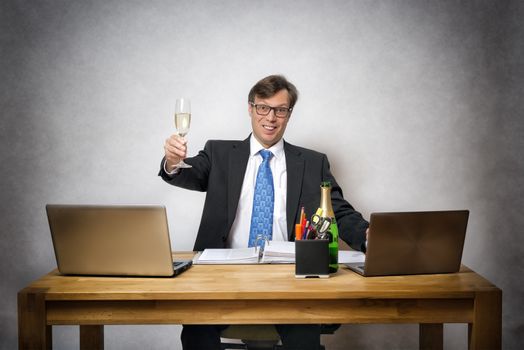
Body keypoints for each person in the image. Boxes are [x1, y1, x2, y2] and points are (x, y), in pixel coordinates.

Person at [159, 75, 369, 350]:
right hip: (222, 274)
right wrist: (173, 162)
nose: (271, 117)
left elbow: (337, 211)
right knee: (197, 331)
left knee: (304, 336)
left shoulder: (312, 162)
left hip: (290, 275)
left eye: (280, 109)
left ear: (289, 114)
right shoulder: (219, 153)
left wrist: (368, 235)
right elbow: (187, 174)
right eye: (263, 107)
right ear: (250, 108)